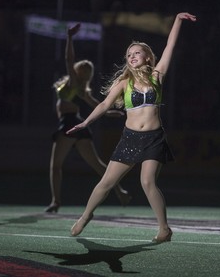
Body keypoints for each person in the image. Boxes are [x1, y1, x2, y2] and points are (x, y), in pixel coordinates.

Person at [67, 12, 196, 242]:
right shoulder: (124, 82)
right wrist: (86, 122)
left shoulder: (157, 76)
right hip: (130, 138)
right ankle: (86, 216)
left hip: (154, 138)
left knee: (147, 182)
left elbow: (171, 44)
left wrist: (176, 19)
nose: (132, 56)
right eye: (129, 54)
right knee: (107, 182)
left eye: (137, 52)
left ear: (148, 58)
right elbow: (106, 104)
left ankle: (164, 229)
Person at [45, 23, 132, 213]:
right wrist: (110, 114)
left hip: (69, 123)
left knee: (56, 166)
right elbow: (99, 106)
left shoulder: (75, 82)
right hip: (78, 125)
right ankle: (120, 191)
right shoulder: (81, 89)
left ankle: (56, 201)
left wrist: (69, 38)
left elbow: (69, 59)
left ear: (78, 71)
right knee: (97, 165)